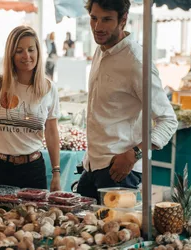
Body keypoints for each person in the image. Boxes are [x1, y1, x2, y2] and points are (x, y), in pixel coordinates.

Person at [76, 0, 178, 202]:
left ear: (123, 20)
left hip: (120, 171)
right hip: (92, 166)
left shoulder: (136, 62)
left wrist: (135, 154)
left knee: (118, 233)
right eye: (94, 18)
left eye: (106, 20)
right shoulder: (101, 49)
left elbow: (168, 120)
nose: (98, 27)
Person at [0, 26, 61, 192]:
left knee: (33, 218)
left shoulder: (49, 88)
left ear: (38, 52)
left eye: (31, 49)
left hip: (33, 170)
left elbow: (52, 131)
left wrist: (56, 173)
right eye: (19, 51)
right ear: (11, 54)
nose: (26, 56)